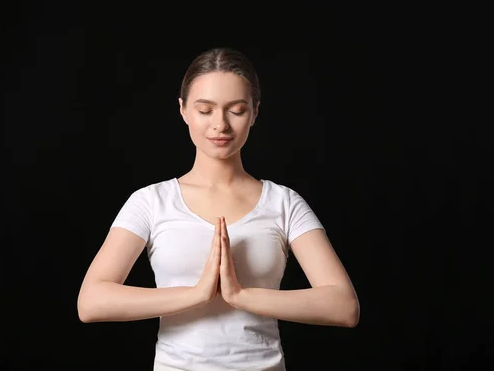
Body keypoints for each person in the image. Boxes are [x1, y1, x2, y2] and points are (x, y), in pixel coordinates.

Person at [77, 47, 360, 371]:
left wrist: (241, 296)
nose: (220, 125)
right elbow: (91, 302)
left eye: (236, 110)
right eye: (205, 110)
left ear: (255, 112)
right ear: (183, 110)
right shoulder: (151, 201)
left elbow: (344, 306)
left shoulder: (284, 203)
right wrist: (197, 293)